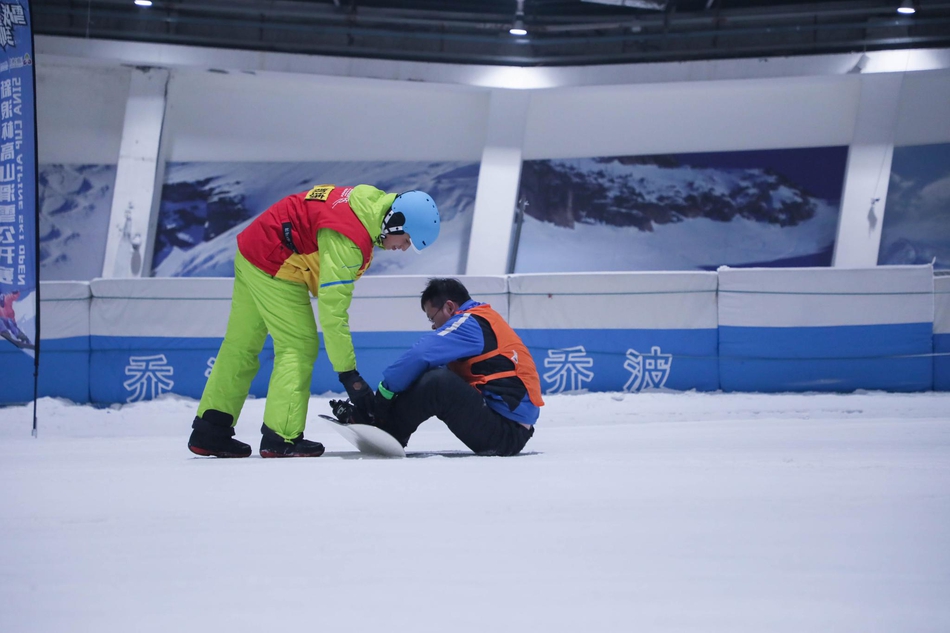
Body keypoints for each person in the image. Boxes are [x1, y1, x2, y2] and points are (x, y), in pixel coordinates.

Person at [188, 184, 440, 459]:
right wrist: (350, 377)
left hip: (253, 250)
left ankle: (210, 430)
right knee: (298, 345)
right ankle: (280, 437)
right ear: (394, 222)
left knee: (241, 345)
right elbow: (333, 314)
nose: (403, 248)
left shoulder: (369, 203)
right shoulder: (349, 238)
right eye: (406, 241)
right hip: (275, 260)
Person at [335, 277, 542, 456]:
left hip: (505, 434)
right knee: (427, 373)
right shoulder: (482, 319)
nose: (433, 326)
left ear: (450, 307)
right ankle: (380, 422)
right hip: (506, 427)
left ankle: (387, 429)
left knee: (437, 382)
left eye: (432, 318)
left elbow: (420, 354)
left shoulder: (470, 322)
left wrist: (384, 393)